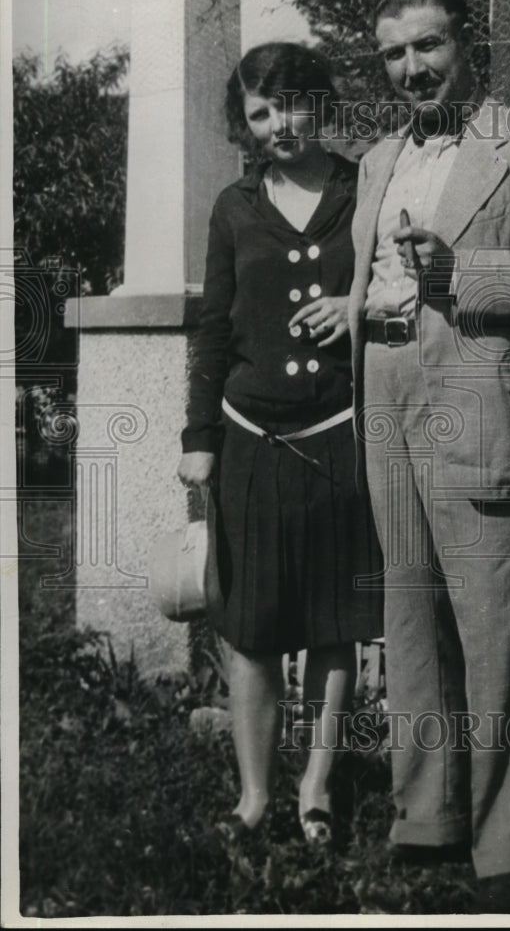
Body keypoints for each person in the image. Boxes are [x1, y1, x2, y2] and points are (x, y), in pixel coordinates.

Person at [348, 0, 510, 909]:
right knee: (410, 613)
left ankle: (507, 838)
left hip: (480, 393)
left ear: (469, 45)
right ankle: (427, 817)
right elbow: (370, 275)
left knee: (494, 625)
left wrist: (469, 272)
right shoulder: (378, 160)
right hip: (386, 384)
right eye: (394, 53)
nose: (412, 68)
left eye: (428, 46)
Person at [177, 42, 383, 852]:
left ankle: (318, 788)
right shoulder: (234, 207)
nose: (278, 125)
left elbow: (401, 284)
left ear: (319, 103)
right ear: (247, 123)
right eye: (261, 113)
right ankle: (256, 796)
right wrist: (200, 439)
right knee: (253, 630)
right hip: (253, 441)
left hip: (338, 437)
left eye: (291, 104)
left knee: (336, 625)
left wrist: (354, 308)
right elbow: (214, 329)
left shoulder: (364, 186)